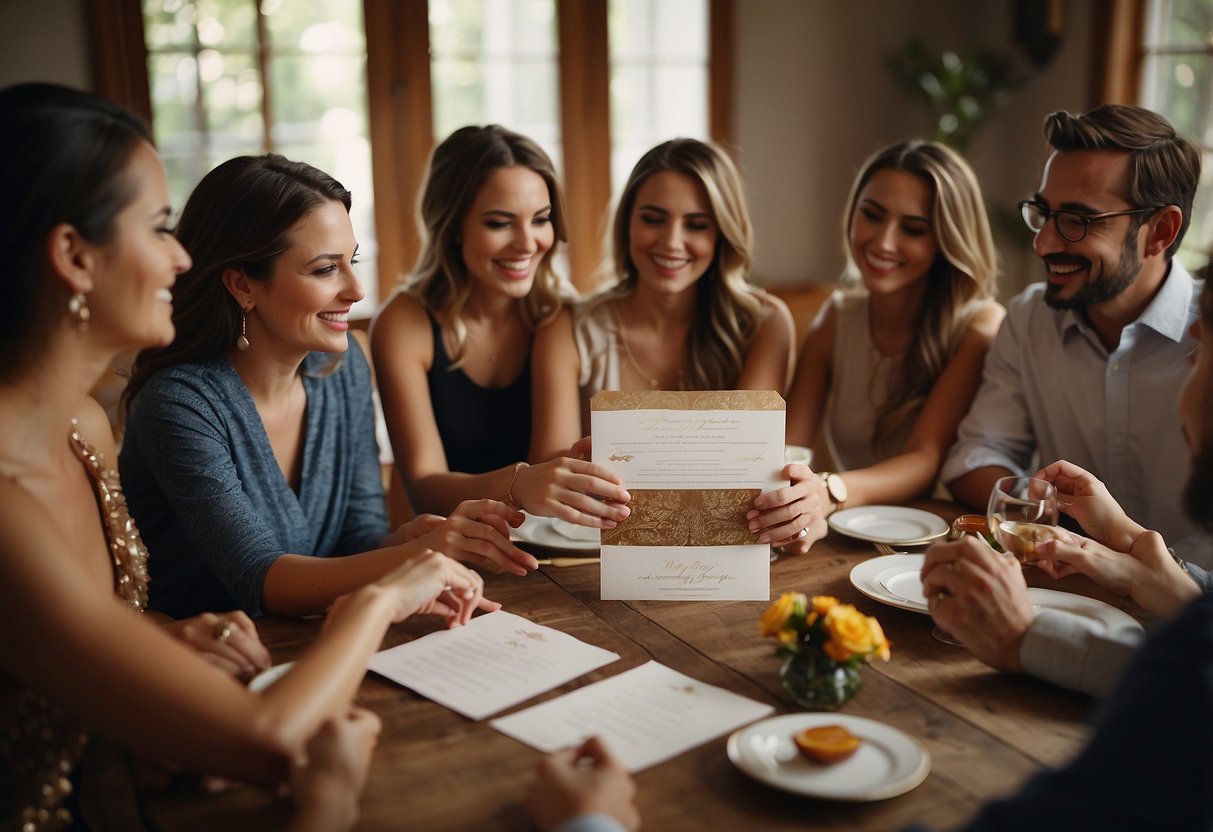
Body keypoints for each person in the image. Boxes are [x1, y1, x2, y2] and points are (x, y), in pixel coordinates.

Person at [525, 268, 1213, 830]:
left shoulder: (1182, 672)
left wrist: (591, 827)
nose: (1184, 381)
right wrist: (1135, 568)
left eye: (1198, 350)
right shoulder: (1186, 640)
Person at [0, 81, 493, 830]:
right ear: (72, 254)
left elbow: (83, 629)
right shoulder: (138, 421)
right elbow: (268, 731)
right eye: (159, 228)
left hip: (142, 749)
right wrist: (383, 591)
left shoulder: (82, 428)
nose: (179, 257)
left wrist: (164, 636)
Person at [120, 153, 533, 621]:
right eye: (324, 269)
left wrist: (407, 541)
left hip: (314, 642)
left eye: (352, 261)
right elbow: (261, 579)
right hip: (204, 663)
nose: (357, 289)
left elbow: (357, 537)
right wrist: (411, 561)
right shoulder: (179, 405)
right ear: (242, 285)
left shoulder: (343, 367)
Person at [922, 270, 1213, 697]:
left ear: (1163, 231)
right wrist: (1134, 549)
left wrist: (1024, 638)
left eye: (1207, 335)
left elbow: (1188, 681)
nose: (1192, 338)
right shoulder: (1029, 315)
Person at [941, 104, 1206, 563]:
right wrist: (1054, 517)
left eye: (1077, 221)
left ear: (1160, 231)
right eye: (1043, 213)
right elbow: (976, 456)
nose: (1043, 243)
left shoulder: (1209, 336)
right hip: (1066, 590)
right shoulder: (1028, 320)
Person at [529, 138, 804, 547]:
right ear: (627, 223)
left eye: (696, 224)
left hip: (722, 552)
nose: (672, 242)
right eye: (653, 219)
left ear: (722, 234)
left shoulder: (765, 323)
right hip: (590, 551)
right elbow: (548, 471)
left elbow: (749, 471)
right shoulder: (566, 328)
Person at [370, 125, 630, 527]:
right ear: (453, 225)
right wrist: (520, 482)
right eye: (499, 223)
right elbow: (423, 486)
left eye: (540, 220)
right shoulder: (406, 324)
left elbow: (560, 467)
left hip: (537, 548)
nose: (527, 243)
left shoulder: (559, 314)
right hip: (435, 545)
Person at [785, 139, 1003, 515]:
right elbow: (788, 447)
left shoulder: (979, 323)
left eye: (914, 229)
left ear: (947, 240)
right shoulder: (836, 317)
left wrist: (829, 490)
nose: (883, 242)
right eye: (872, 214)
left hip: (942, 534)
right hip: (851, 527)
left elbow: (925, 457)